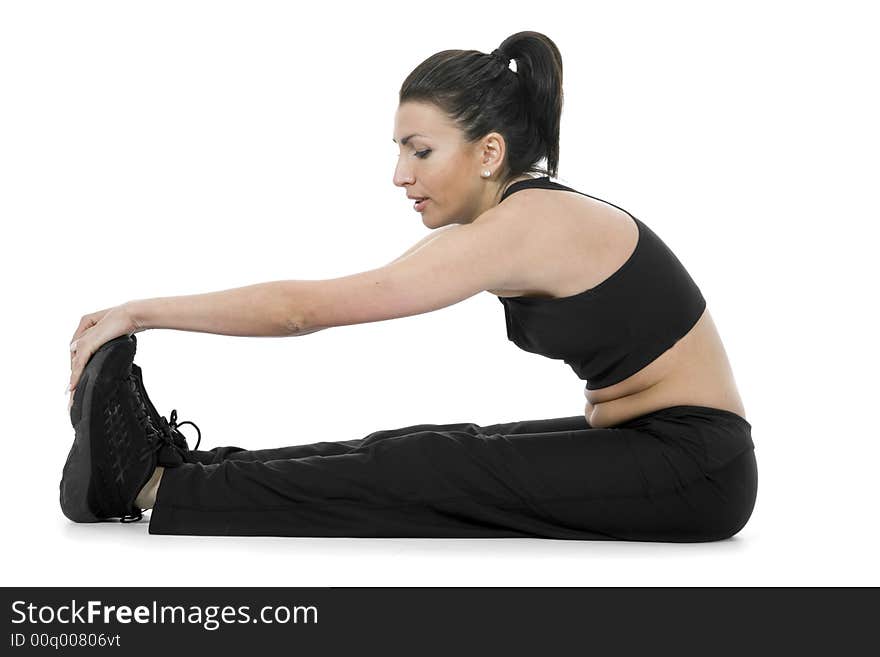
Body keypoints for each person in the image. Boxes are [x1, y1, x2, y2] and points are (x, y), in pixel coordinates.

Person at [61, 31, 757, 542]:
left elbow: (304, 311)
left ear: (489, 153)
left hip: (694, 468)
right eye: (398, 150)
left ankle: (157, 486)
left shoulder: (525, 225)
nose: (401, 174)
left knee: (433, 465)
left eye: (419, 150)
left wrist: (139, 312)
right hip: (661, 451)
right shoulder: (517, 215)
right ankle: (171, 471)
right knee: (424, 448)